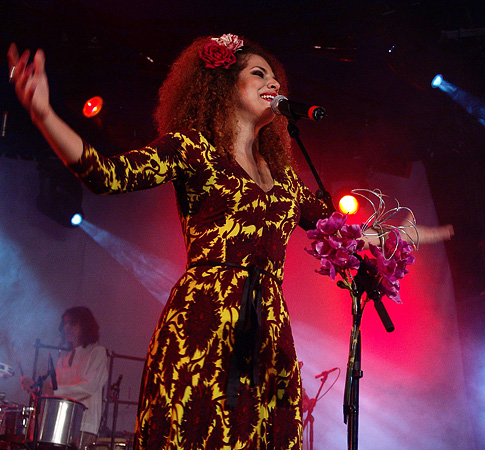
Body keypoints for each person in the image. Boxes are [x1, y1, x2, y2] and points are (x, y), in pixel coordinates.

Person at [8, 34, 452, 449]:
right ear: (223, 86)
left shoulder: (287, 183)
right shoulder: (191, 148)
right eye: (258, 73)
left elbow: (345, 231)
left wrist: (407, 232)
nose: (272, 81)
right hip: (204, 320)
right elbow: (105, 175)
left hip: (268, 329)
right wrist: (43, 113)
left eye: (274, 75)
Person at [21, 306, 108, 450]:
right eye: (65, 323)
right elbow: (53, 392)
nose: (67, 327)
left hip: (84, 424)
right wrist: (36, 389)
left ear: (85, 326)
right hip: (59, 424)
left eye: (72, 323)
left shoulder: (97, 352)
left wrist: (51, 391)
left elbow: (89, 387)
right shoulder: (63, 359)